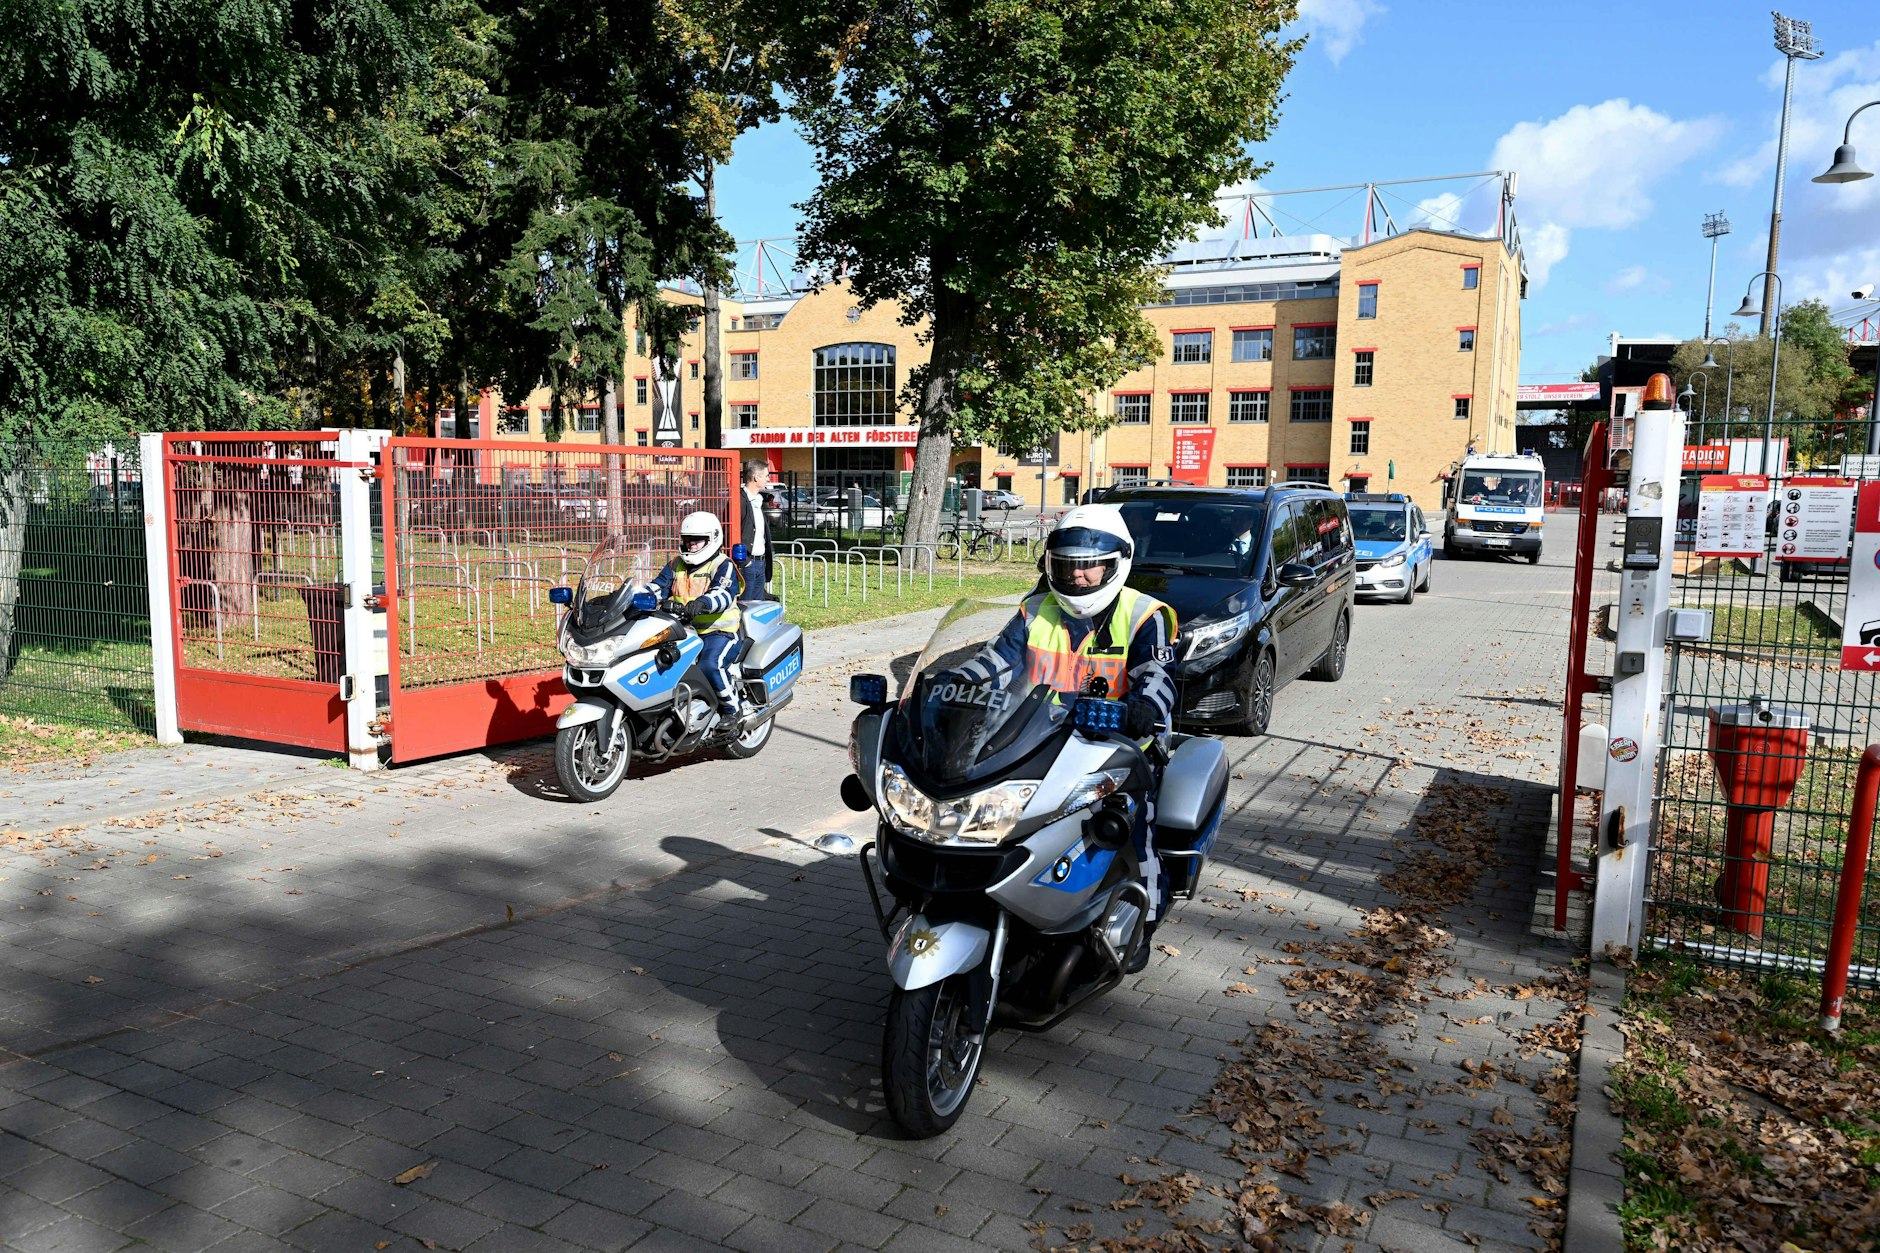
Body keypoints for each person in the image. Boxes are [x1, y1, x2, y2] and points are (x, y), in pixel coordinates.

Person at [951, 504, 1178, 972]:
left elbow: (1158, 678)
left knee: (1137, 827)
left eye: (1089, 565)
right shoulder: (1036, 610)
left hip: (1118, 746)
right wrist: (948, 686)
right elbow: (994, 661)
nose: (1078, 577)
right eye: (1068, 565)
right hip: (1040, 741)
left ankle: (1144, 923)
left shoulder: (1143, 615)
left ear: (1117, 563)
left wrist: (1143, 709)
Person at [646, 511, 742, 720]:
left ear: (713, 538)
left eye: (697, 540)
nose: (691, 545)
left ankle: (732, 711)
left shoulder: (722, 565)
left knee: (710, 665)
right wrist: (634, 596)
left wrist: (702, 603)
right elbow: (658, 586)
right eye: (687, 540)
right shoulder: (676, 565)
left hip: (718, 631)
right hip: (683, 630)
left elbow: (723, 593)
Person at [737, 460, 772, 600]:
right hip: (748, 563)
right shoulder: (740, 500)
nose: (768, 479)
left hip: (760, 562)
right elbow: (734, 531)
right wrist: (746, 561)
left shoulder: (757, 500)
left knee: (758, 606)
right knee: (746, 606)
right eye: (766, 475)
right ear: (756, 477)